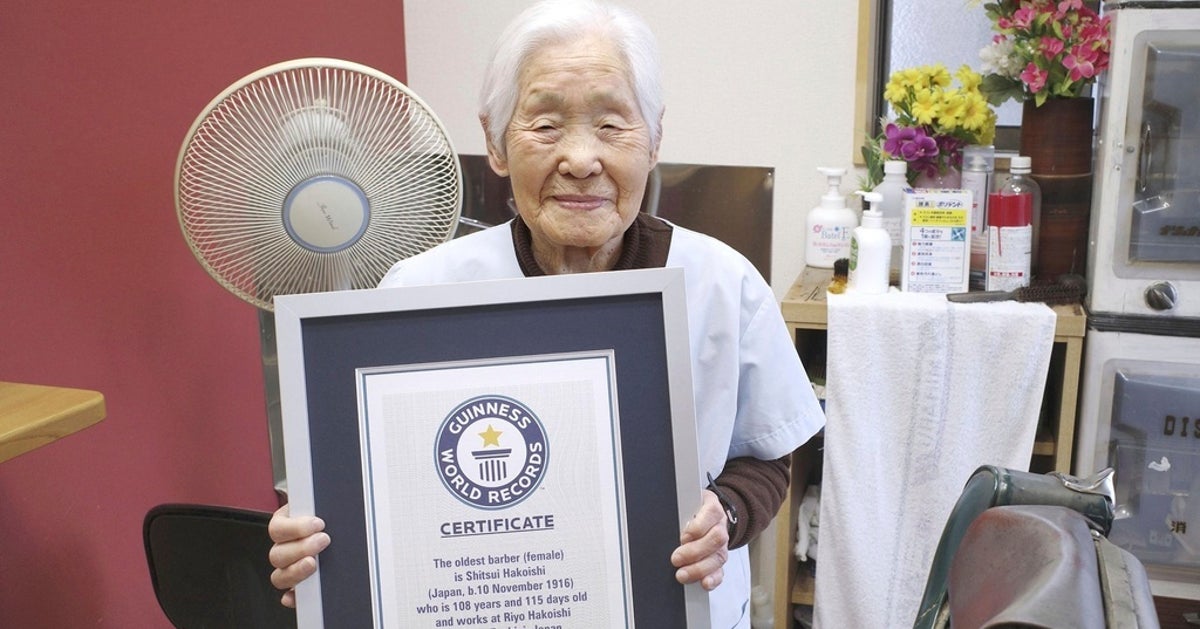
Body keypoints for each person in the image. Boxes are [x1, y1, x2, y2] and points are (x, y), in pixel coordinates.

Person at [268, 1, 825, 626]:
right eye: (546, 126)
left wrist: (723, 515)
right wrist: (324, 552)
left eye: (612, 125)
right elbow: (378, 484)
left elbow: (767, 453)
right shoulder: (420, 292)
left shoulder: (722, 283)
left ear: (656, 137)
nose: (581, 160)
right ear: (495, 142)